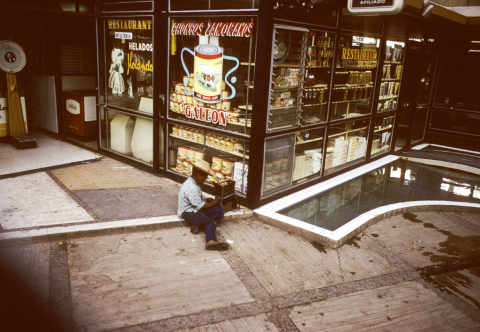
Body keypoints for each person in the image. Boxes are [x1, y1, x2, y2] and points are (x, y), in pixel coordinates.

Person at [178, 160, 229, 250]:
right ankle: (211, 241)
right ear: (199, 176)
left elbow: (195, 200)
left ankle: (199, 225)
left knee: (220, 211)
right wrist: (212, 203)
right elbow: (201, 207)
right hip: (189, 212)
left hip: (195, 209)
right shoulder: (192, 187)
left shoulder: (195, 182)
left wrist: (206, 200)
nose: (205, 180)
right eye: (205, 177)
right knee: (210, 222)